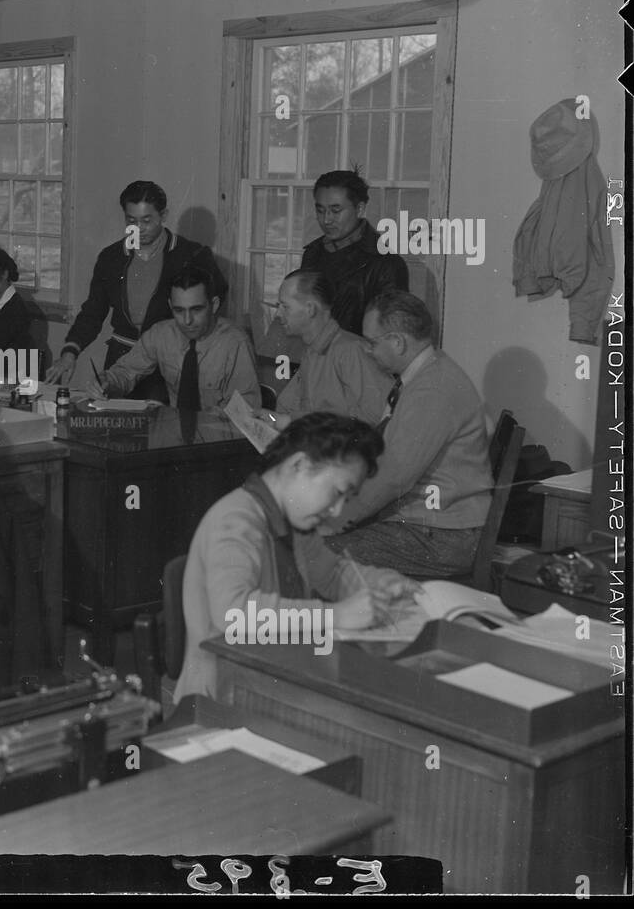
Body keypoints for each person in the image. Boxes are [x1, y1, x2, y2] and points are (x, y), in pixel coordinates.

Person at [176, 412, 421, 701]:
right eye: (337, 492)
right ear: (299, 465)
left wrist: (382, 583)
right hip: (220, 697)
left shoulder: (293, 521)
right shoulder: (236, 519)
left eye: (347, 500)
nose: (337, 511)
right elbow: (232, 614)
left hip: (272, 681)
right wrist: (337, 614)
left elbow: (330, 574)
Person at [320, 290, 493, 578]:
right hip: (427, 525)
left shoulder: (431, 390)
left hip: (440, 536)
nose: (367, 350)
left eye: (371, 342)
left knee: (310, 547)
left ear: (398, 342)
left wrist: (336, 519)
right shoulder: (425, 375)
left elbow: (392, 478)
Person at [46, 180, 225, 401]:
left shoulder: (191, 255)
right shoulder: (111, 258)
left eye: (147, 220)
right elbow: (92, 312)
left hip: (169, 363)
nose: (139, 228)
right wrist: (70, 353)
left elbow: (213, 308)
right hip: (121, 361)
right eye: (132, 220)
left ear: (164, 215)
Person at [90, 265, 259, 412]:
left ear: (213, 305)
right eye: (179, 311)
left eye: (196, 310)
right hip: (174, 436)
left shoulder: (235, 343)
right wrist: (107, 383)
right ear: (171, 306)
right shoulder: (161, 334)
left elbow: (244, 412)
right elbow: (126, 372)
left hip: (218, 440)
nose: (187, 321)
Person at [270, 269, 392, 425]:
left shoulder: (352, 351)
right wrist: (271, 419)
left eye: (285, 307)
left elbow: (379, 417)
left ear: (310, 309)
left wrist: (289, 421)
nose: (277, 314)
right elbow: (287, 409)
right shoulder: (312, 352)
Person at [300, 168, 409, 335]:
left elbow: (391, 335)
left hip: (359, 358)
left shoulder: (386, 264)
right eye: (320, 210)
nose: (326, 220)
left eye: (336, 211)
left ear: (359, 209)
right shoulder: (312, 253)